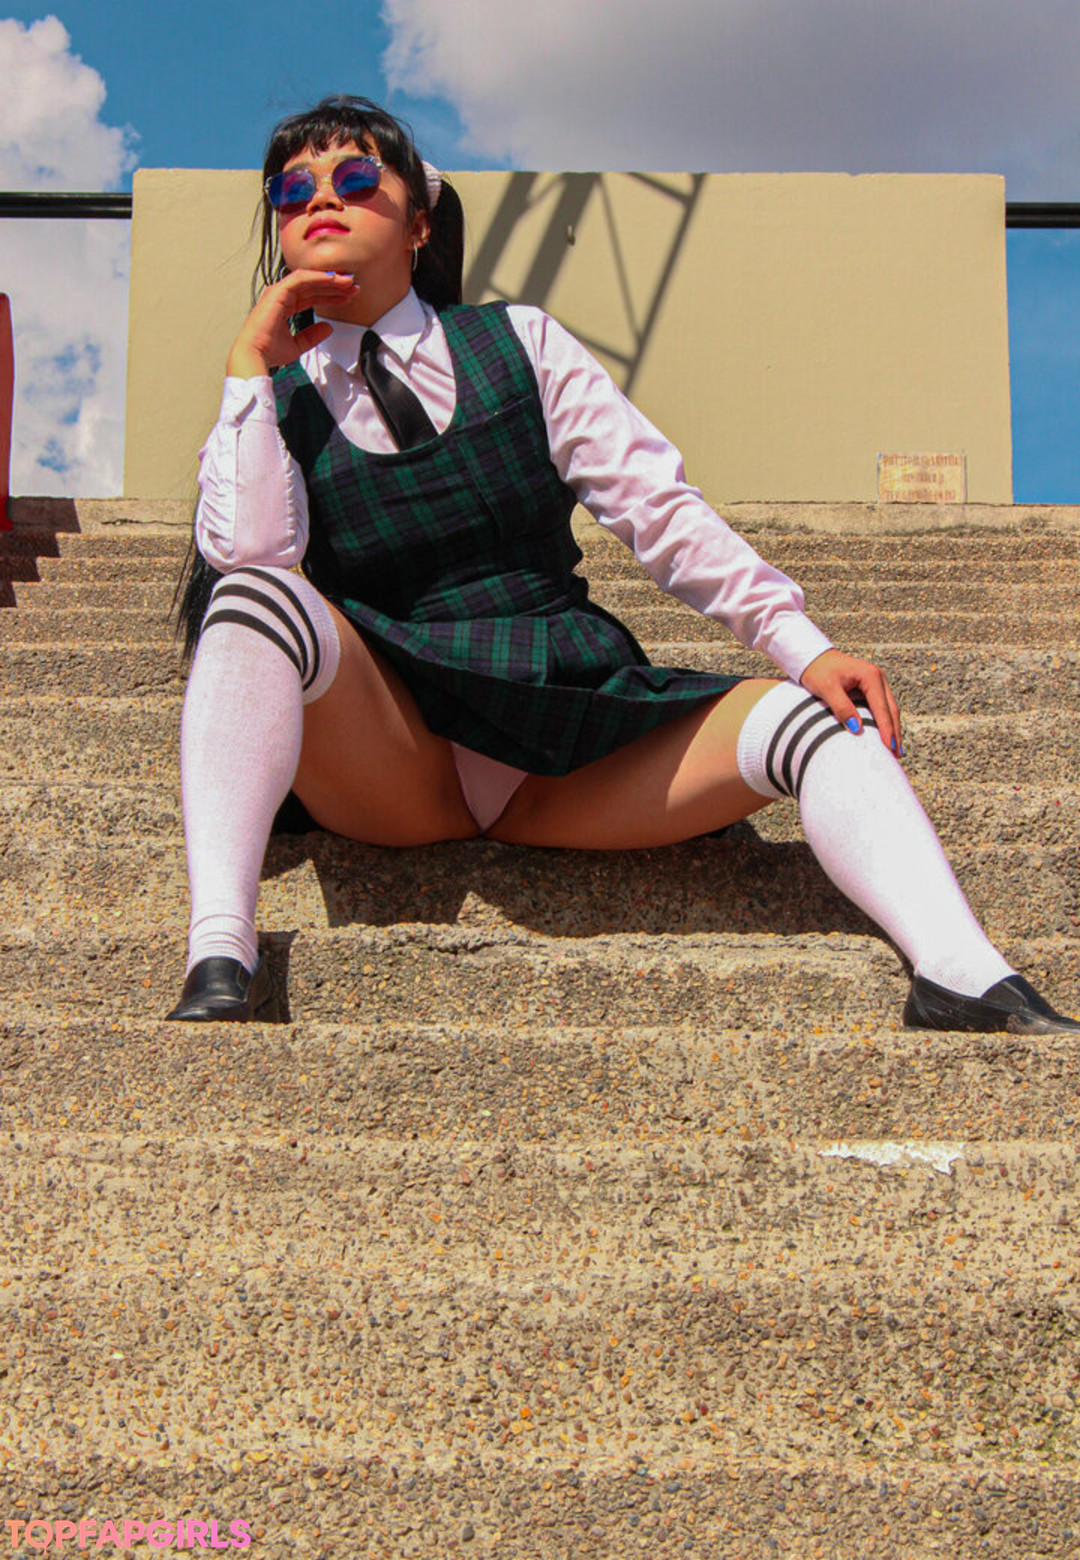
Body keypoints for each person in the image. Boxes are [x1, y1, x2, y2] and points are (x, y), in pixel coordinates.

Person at [169, 94, 1077, 1036]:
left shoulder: (518, 341)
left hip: (561, 744)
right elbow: (248, 559)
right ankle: (222, 953)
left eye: (356, 177)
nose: (321, 199)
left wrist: (802, 645)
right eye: (292, 191)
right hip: (397, 754)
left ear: (422, 222)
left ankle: (960, 971)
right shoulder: (273, 400)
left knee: (820, 723)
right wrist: (249, 370)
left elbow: (657, 509)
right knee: (253, 594)